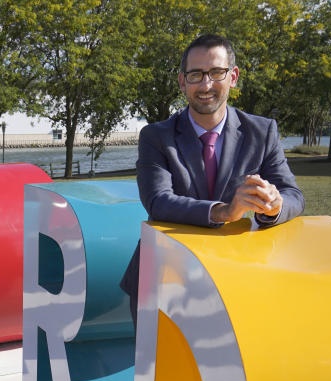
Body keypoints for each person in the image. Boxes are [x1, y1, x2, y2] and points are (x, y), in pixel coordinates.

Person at [120, 34, 305, 320]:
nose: (206, 85)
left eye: (216, 73)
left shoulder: (263, 131)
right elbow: (157, 201)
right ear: (183, 82)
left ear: (233, 76)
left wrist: (273, 206)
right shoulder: (156, 136)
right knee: (159, 366)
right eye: (196, 75)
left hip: (237, 279)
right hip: (163, 281)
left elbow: (293, 195)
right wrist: (224, 212)